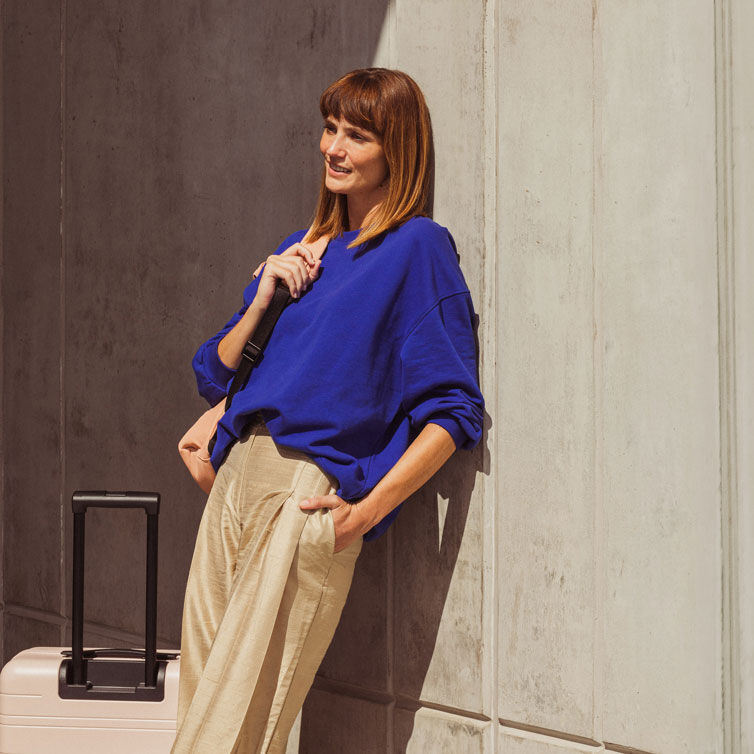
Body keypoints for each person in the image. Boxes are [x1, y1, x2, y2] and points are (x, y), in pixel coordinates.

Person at [171, 67, 484, 753]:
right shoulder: (305, 252)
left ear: (395, 151)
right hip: (235, 484)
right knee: (203, 712)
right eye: (331, 129)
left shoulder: (417, 249)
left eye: (358, 136)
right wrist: (264, 295)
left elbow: (455, 411)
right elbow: (210, 372)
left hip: (303, 493)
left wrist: (367, 514)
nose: (333, 148)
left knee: (229, 733)